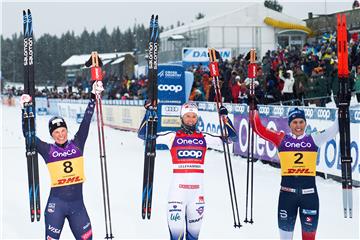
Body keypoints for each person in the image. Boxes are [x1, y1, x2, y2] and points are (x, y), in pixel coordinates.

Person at [138, 102, 238, 240]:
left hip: (197, 197)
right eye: (187, 116)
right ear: (181, 117)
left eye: (194, 116)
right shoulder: (172, 136)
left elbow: (233, 139)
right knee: (176, 237)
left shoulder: (204, 137)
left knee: (193, 238)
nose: (191, 119)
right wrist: (148, 113)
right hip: (177, 196)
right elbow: (144, 136)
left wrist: (225, 118)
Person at [20, 81, 104, 240]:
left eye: (63, 130)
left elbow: (86, 121)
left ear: (67, 130)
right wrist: (25, 110)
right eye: (56, 132)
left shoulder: (78, 144)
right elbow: (28, 135)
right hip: (56, 207)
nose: (61, 134)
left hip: (78, 206)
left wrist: (93, 96)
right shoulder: (48, 150)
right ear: (52, 135)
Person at [250, 105, 338, 240]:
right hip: (287, 197)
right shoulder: (281, 139)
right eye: (295, 122)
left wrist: (341, 108)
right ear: (289, 124)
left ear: (305, 123)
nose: (298, 126)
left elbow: (334, 130)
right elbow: (257, 128)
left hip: (309, 198)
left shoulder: (314, 138)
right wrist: (253, 108)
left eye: (301, 122)